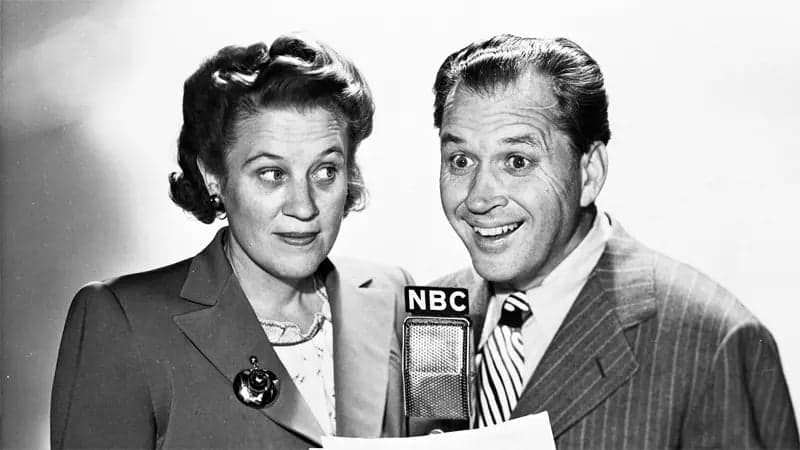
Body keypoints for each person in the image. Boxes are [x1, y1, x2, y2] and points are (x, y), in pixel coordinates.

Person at [423, 34, 799, 448]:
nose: (479, 197)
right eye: (460, 161)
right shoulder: (433, 319)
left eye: (517, 162)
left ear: (590, 173)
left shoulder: (711, 340)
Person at [50, 35, 410, 449]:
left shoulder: (394, 295)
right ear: (213, 177)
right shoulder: (122, 320)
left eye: (325, 171)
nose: (304, 206)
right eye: (272, 174)